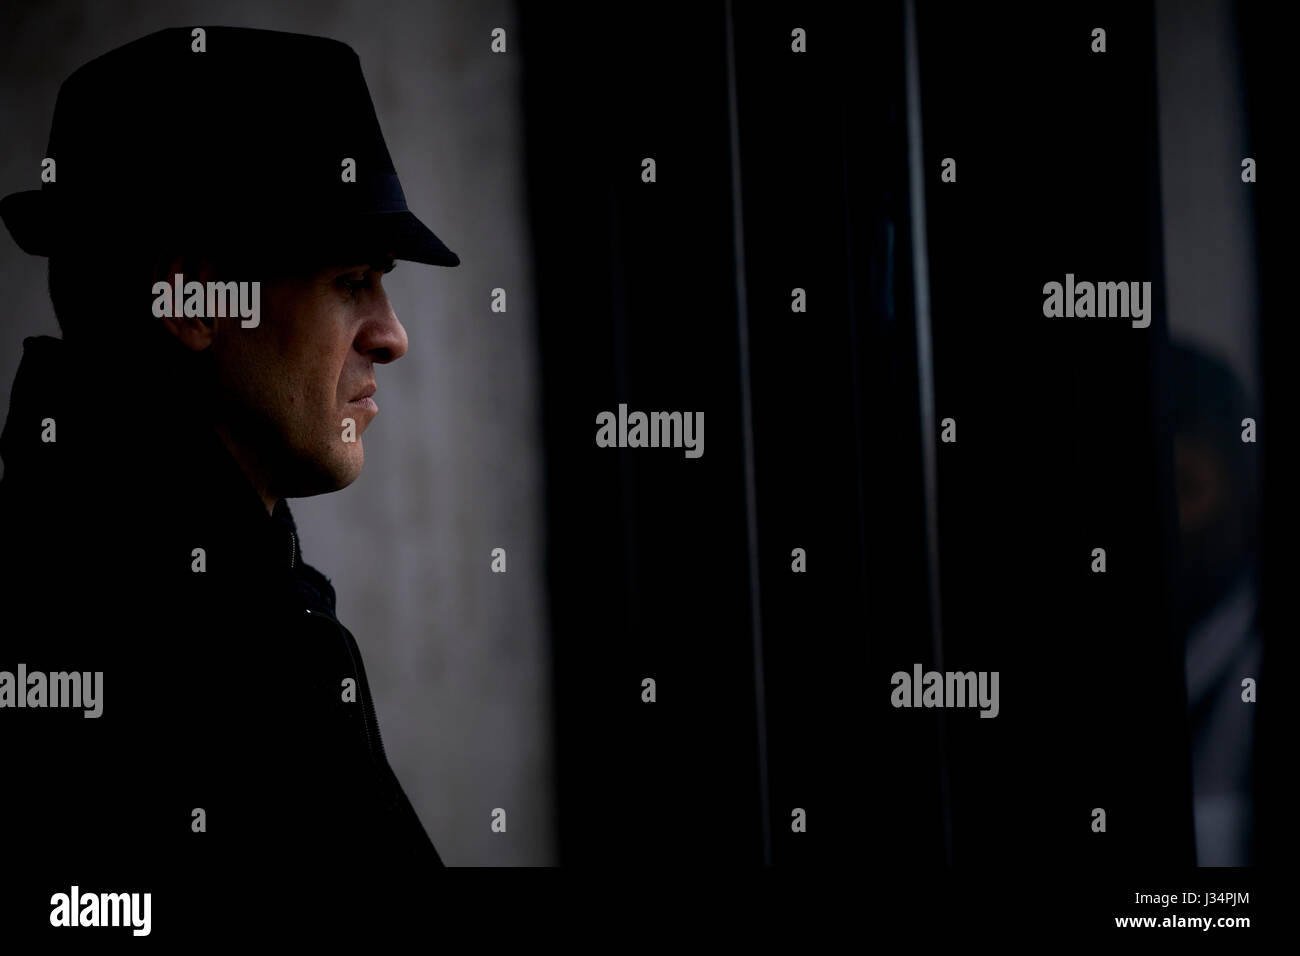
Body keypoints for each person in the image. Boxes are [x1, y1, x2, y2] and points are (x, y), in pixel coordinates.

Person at [0, 26, 458, 933]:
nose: (392, 334)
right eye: (353, 277)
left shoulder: (75, 565)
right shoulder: (231, 656)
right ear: (197, 302)